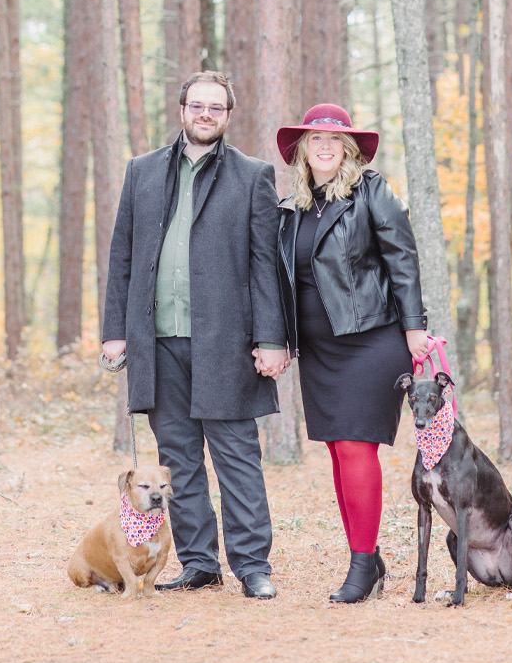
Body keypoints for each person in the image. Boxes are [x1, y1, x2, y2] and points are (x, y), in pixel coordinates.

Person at [101, 71, 288, 599]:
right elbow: (122, 257)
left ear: (228, 116)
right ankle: (200, 563)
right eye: (197, 106)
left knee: (236, 458)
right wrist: (116, 331)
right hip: (155, 344)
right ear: (182, 108)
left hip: (226, 343)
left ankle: (252, 566)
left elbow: (265, 265)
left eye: (216, 108)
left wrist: (271, 339)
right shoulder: (141, 172)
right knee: (178, 461)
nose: (205, 115)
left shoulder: (252, 176)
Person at [275, 103, 429, 603]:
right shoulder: (293, 206)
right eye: (314, 140)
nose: (324, 147)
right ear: (302, 150)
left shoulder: (372, 191)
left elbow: (402, 260)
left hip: (373, 338)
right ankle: (369, 556)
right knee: (339, 450)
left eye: (334, 140)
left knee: (358, 446)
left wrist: (414, 329)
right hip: (319, 350)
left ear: (347, 149)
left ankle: (361, 567)